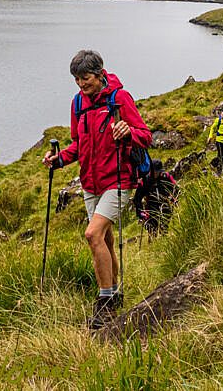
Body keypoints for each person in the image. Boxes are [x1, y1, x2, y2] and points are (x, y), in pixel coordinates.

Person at [42, 49, 152, 330]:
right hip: (90, 183)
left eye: (86, 78)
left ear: (100, 73)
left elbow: (145, 136)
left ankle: (103, 304)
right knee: (105, 240)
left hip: (118, 180)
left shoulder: (119, 99)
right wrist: (59, 160)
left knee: (92, 235)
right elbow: (78, 145)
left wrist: (128, 132)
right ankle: (114, 294)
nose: (81, 84)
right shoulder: (78, 103)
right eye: (77, 79)